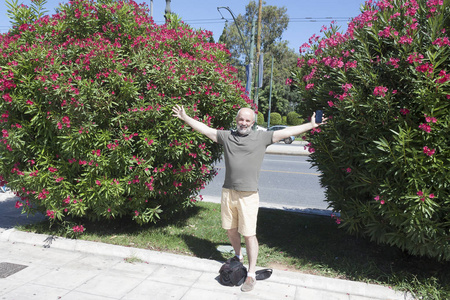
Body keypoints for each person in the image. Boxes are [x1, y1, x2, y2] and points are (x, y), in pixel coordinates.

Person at [172, 105, 325, 292]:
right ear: (236, 120)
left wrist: (310, 125)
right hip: (228, 192)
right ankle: (238, 256)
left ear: (253, 123)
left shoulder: (261, 138)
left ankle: (251, 274)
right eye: (240, 119)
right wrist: (185, 117)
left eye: (247, 120)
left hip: (249, 195)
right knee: (230, 230)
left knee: (249, 234)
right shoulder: (227, 136)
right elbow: (206, 130)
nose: (243, 123)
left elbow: (287, 131)